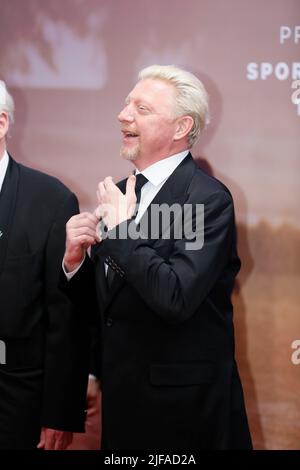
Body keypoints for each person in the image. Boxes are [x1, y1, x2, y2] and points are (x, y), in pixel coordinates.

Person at [63, 65, 252, 449]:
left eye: (142, 108)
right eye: (126, 104)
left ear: (182, 127)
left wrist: (122, 233)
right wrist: (74, 264)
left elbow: (175, 297)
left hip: (183, 417)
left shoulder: (207, 200)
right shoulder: (118, 193)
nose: (123, 114)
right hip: (122, 409)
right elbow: (109, 307)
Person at [0, 80, 89, 449]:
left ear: (1, 123)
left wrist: (59, 412)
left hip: (16, 402)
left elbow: (65, 317)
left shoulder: (51, 201)